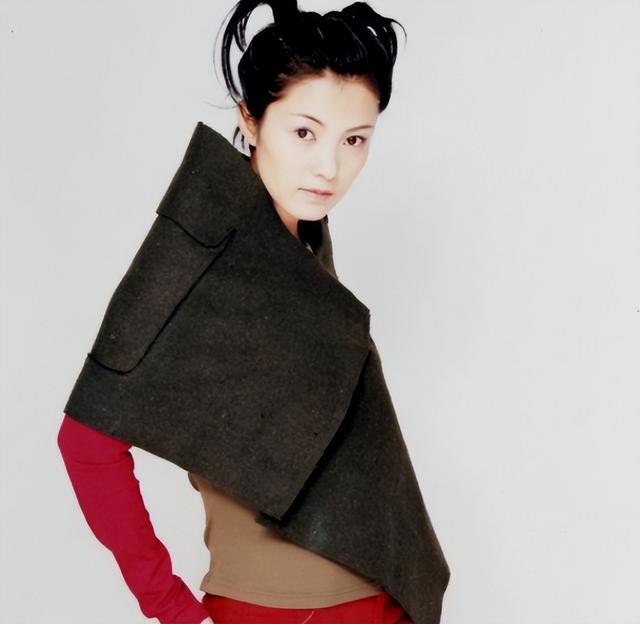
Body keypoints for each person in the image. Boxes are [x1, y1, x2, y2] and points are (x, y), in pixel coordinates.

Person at [58, 1, 450, 623]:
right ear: (250, 117)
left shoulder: (298, 238)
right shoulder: (199, 243)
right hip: (278, 611)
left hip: (378, 598)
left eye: (354, 140)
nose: (329, 167)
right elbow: (85, 442)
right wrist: (172, 609)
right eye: (304, 133)